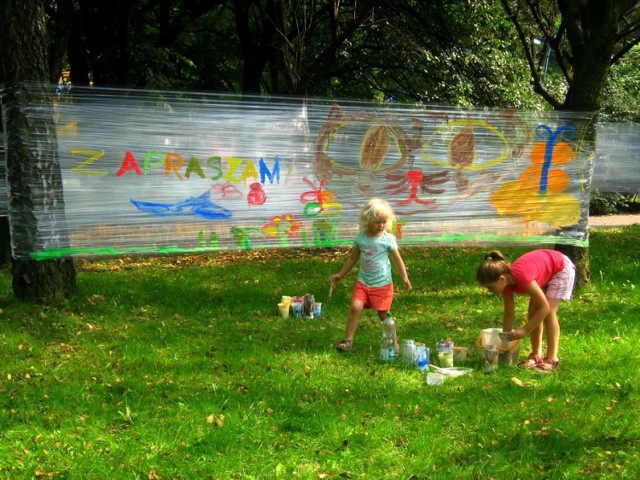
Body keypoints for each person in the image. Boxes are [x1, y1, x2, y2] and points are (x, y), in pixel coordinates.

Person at [331, 198, 412, 352]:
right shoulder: (361, 238)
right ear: (367, 220)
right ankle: (348, 340)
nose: (381, 225)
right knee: (355, 307)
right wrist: (340, 275)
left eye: (383, 222)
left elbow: (397, 259)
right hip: (363, 282)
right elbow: (353, 258)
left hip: (382, 284)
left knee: (383, 315)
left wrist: (404, 277)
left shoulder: (387, 239)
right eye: (377, 222)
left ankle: (394, 344)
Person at [476, 249, 576, 372]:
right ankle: (536, 355)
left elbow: (545, 307)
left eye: (490, 287)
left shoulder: (522, 277)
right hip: (545, 271)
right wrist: (505, 340)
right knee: (534, 311)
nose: (489, 291)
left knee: (548, 313)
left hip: (561, 268)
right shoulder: (506, 285)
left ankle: (552, 358)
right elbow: (509, 314)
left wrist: (525, 329)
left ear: (501, 279)